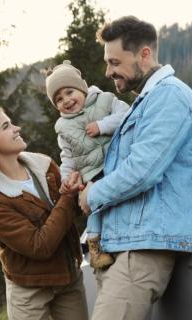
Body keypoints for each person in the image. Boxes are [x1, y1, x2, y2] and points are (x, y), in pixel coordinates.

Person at [77, 16, 192, 320]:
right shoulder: (145, 102)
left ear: (144, 54)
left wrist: (94, 194)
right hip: (123, 246)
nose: (108, 72)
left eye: (115, 62)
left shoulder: (171, 96)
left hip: (141, 251)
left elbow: (143, 171)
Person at [0, 106, 89, 320]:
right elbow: (39, 245)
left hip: (69, 280)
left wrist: (79, 189)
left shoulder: (44, 165)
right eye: (6, 126)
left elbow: (76, 212)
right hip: (29, 291)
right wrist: (67, 198)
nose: (17, 128)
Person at [45, 60, 129, 269]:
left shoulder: (106, 100)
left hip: (118, 163)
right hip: (91, 172)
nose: (66, 100)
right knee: (95, 208)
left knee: (120, 202)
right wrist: (67, 180)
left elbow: (129, 116)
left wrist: (102, 126)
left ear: (82, 87)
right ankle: (96, 246)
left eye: (69, 92)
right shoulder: (63, 127)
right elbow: (67, 158)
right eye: (59, 99)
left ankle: (123, 235)